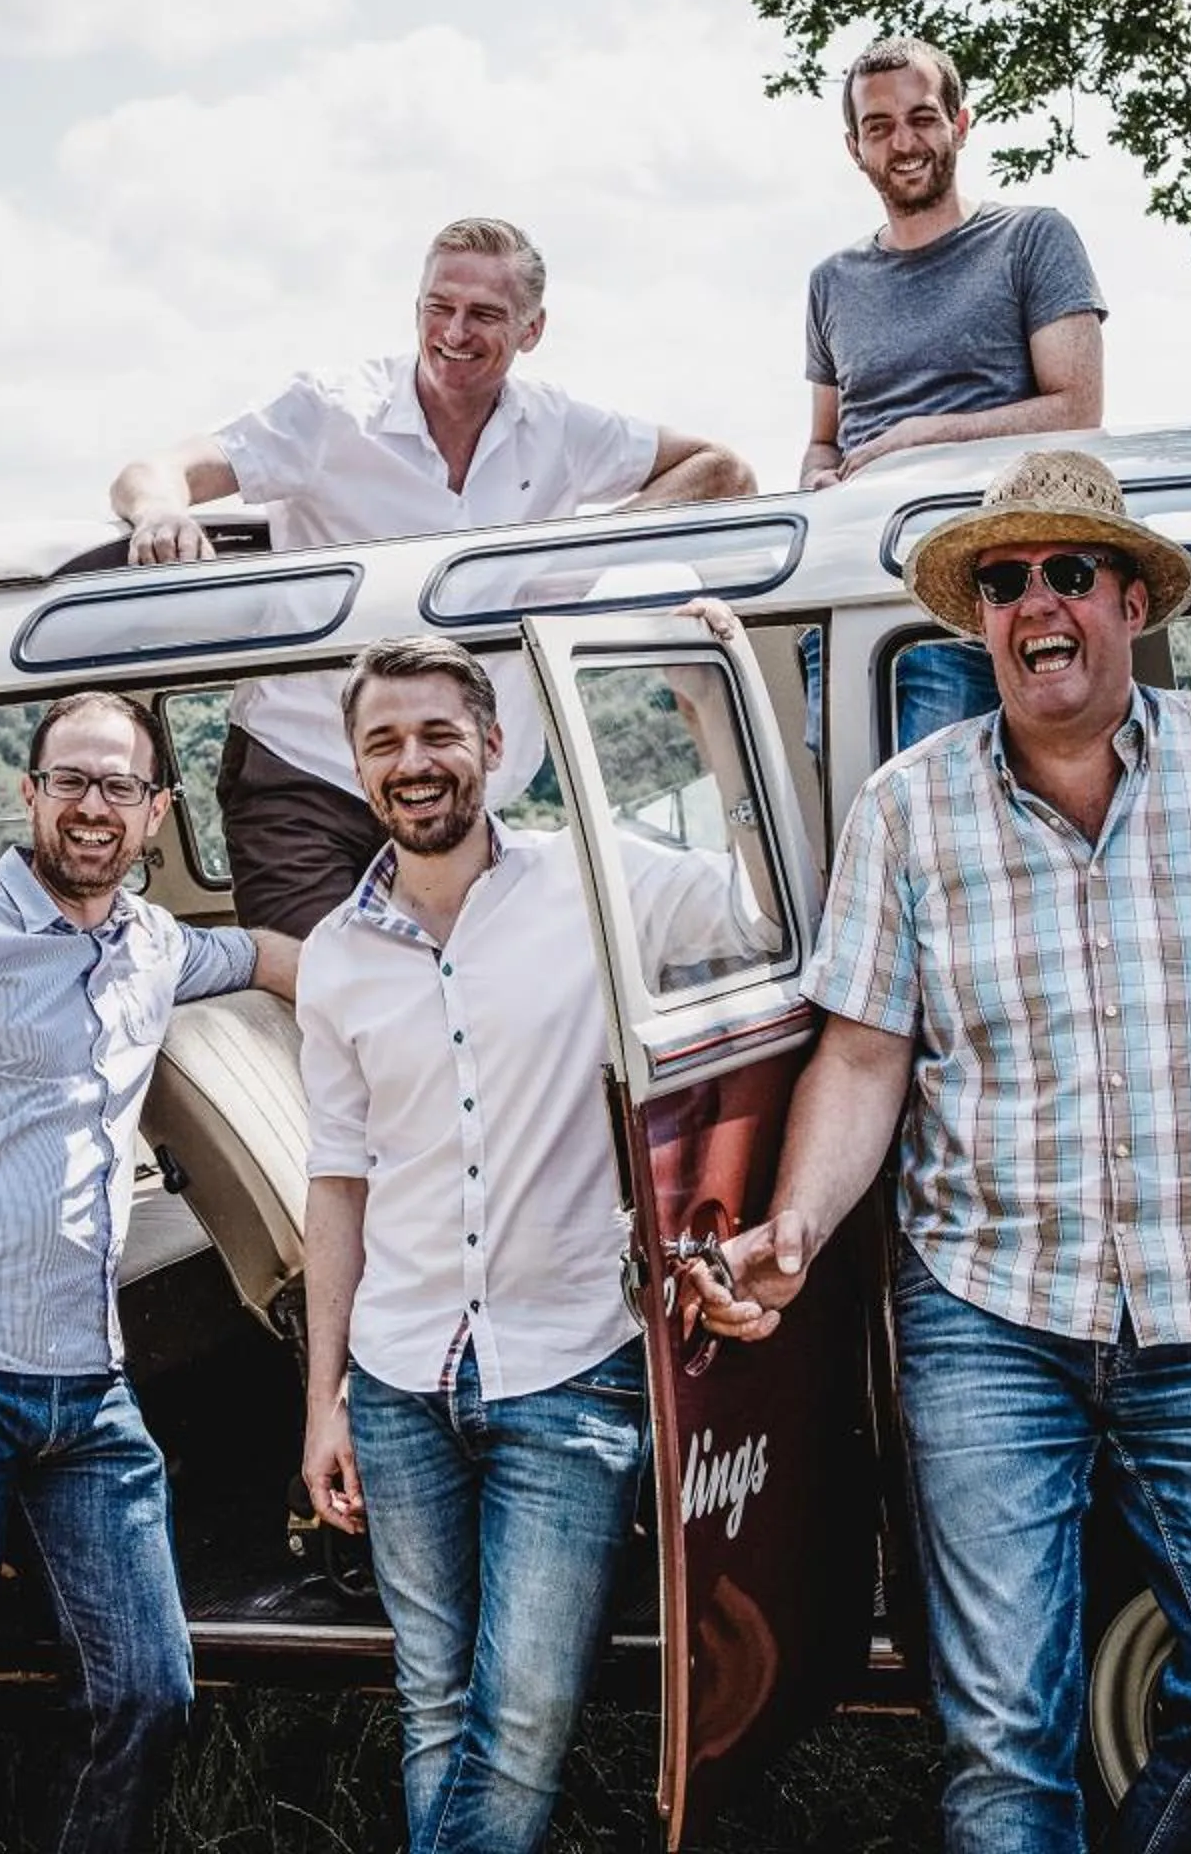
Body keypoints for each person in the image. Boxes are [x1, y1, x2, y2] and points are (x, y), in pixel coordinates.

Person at [699, 450, 1191, 1853]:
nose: (1037, 603)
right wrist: (800, 1224)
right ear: (982, 619)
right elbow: (864, 1057)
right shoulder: (909, 808)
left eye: (1070, 571)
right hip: (989, 1316)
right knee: (1005, 1738)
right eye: (1006, 582)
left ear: (1130, 601)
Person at [293, 628, 778, 1854]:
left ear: (494, 744)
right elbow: (338, 1184)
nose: (413, 761)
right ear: (358, 767)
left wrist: (711, 715)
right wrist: (324, 1398)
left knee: (520, 1716)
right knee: (433, 1700)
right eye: (385, 741)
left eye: (438, 733)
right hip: (399, 1374)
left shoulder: (600, 879)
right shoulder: (338, 956)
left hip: (572, 1366)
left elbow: (766, 905)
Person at [0, 689, 301, 1854]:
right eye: (72, 780)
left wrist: (429, 990)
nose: (95, 806)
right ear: (30, 793)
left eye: (120, 786)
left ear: (156, 811)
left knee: (148, 1683)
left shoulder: (156, 945)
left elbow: (271, 954)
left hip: (86, 1384)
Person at [110, 216, 757, 938]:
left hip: (461, 793)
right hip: (308, 779)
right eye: (438, 307)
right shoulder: (330, 412)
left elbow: (723, 472)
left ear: (532, 330)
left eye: (484, 314)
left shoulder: (561, 430)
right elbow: (153, 472)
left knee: (461, 993)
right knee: (330, 984)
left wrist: (584, 554)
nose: (454, 332)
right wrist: (160, 512)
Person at [802, 35, 1108, 749]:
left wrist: (923, 439)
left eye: (922, 118)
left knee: (939, 795)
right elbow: (821, 439)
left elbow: (1077, 411)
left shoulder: (1032, 239)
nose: (903, 143)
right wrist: (818, 477)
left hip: (976, 593)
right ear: (855, 148)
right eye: (879, 127)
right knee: (846, 805)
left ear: (959, 124)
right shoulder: (831, 282)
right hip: (847, 590)